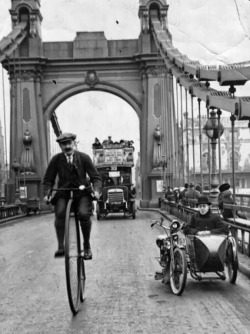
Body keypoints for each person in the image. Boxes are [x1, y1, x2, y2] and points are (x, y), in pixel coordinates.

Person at [43, 133, 102, 259]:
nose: (67, 146)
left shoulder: (84, 158)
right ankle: (60, 246)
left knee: (84, 214)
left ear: (74, 144)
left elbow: (96, 178)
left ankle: (86, 246)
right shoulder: (56, 160)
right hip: (63, 193)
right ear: (60, 146)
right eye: (64, 144)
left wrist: (96, 191)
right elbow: (48, 180)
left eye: (70, 143)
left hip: (82, 193)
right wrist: (47, 193)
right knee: (59, 213)